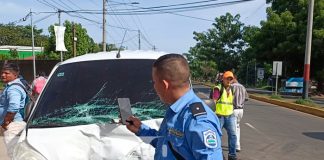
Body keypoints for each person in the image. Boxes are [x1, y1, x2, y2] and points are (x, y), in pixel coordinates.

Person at [126, 54, 223, 159]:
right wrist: (140, 129)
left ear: (164, 85)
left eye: (154, 82)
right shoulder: (175, 110)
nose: (154, 86)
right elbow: (164, 143)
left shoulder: (198, 121)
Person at [0, 62, 27, 157]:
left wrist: (6, 122)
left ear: (15, 74)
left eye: (7, 73)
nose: (3, 75)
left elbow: (14, 107)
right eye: (2, 72)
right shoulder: (12, 86)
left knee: (14, 154)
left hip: (13, 125)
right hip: (14, 124)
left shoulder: (13, 88)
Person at [212, 71, 237, 160]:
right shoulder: (218, 88)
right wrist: (215, 113)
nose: (229, 80)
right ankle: (218, 155)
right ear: (223, 79)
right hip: (219, 116)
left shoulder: (232, 89)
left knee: (233, 135)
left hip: (230, 116)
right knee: (216, 136)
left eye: (231, 79)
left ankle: (232, 156)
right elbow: (213, 101)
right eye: (227, 78)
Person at [232, 75, 248, 152]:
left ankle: (235, 145)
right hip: (241, 110)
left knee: (233, 128)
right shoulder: (242, 87)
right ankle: (237, 145)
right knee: (237, 127)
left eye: (230, 78)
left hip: (233, 110)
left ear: (234, 78)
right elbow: (247, 98)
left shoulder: (231, 87)